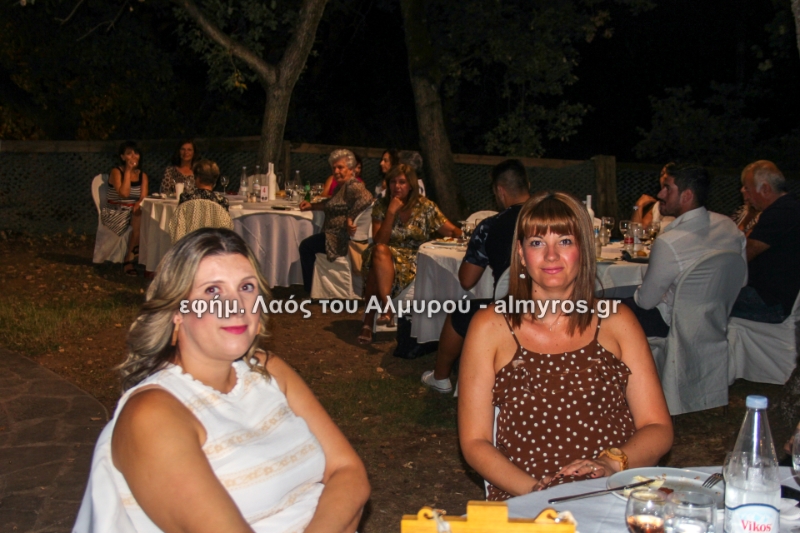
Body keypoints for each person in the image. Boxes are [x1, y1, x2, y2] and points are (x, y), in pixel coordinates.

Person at [74, 228, 370, 533]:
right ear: (177, 310)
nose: (236, 305)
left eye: (246, 287)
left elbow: (349, 471)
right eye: (213, 290)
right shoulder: (153, 413)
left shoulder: (269, 371)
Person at [458, 191, 673, 501]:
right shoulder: (490, 327)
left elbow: (657, 426)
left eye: (565, 241)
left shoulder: (617, 321)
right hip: (526, 494)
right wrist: (537, 493)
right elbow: (475, 442)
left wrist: (610, 464)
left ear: (584, 250)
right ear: (521, 254)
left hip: (612, 490)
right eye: (537, 243)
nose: (551, 255)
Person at [421, 159, 531, 393]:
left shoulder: (491, 226)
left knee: (461, 311)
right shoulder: (556, 219)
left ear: (500, 191)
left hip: (512, 308)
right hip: (561, 303)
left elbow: (467, 280)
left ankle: (440, 377)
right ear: (528, 185)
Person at [622, 164, 745, 337]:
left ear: (686, 196)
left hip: (671, 325)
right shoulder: (729, 227)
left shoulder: (669, 242)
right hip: (715, 322)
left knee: (603, 308)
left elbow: (645, 302)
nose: (660, 194)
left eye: (667, 188)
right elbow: (742, 280)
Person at [358, 164, 461, 344]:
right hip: (385, 253)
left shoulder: (425, 207)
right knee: (379, 252)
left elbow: (451, 230)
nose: (396, 186)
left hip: (415, 257)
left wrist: (466, 235)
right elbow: (380, 240)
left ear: (411, 185)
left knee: (376, 268)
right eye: (393, 182)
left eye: (402, 182)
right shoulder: (382, 206)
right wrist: (391, 213)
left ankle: (369, 321)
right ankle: (387, 307)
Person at [730, 160, 800, 323]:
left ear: (766, 189)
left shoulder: (780, 214)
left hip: (771, 303)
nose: (744, 194)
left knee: (705, 297)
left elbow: (743, 255)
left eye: (747, 189)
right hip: (780, 297)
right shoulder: (790, 206)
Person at [299, 149, 373, 292]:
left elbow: (367, 198)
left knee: (306, 246)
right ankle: (313, 287)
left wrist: (350, 217)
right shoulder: (341, 187)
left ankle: (309, 290)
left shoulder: (352, 185)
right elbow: (331, 204)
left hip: (339, 239)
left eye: (340, 167)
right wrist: (312, 206)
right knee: (310, 243)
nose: (336, 171)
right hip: (334, 234)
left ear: (351, 169)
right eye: (334, 168)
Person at [101, 140, 149, 276]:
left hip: (133, 212)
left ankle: (138, 257)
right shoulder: (116, 172)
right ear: (122, 157)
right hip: (115, 212)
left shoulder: (143, 175)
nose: (133, 156)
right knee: (139, 218)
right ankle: (130, 259)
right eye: (129, 153)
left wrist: (139, 203)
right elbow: (124, 194)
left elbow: (143, 197)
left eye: (136, 153)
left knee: (144, 216)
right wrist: (128, 171)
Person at [630, 163, 676, 231]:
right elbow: (636, 233)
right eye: (662, 174)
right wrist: (637, 206)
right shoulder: (657, 206)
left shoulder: (681, 207)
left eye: (669, 173)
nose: (665, 176)